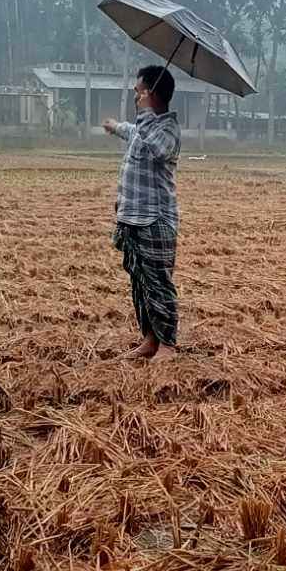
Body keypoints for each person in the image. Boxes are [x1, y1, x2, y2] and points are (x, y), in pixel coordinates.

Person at [102, 66, 181, 358]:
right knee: (140, 283)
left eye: (139, 92)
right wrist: (115, 126)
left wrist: (146, 112)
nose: (136, 97)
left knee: (158, 283)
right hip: (131, 218)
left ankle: (167, 345)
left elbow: (157, 149)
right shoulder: (145, 127)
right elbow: (133, 131)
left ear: (151, 94)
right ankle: (150, 339)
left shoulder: (167, 130)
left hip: (154, 220)